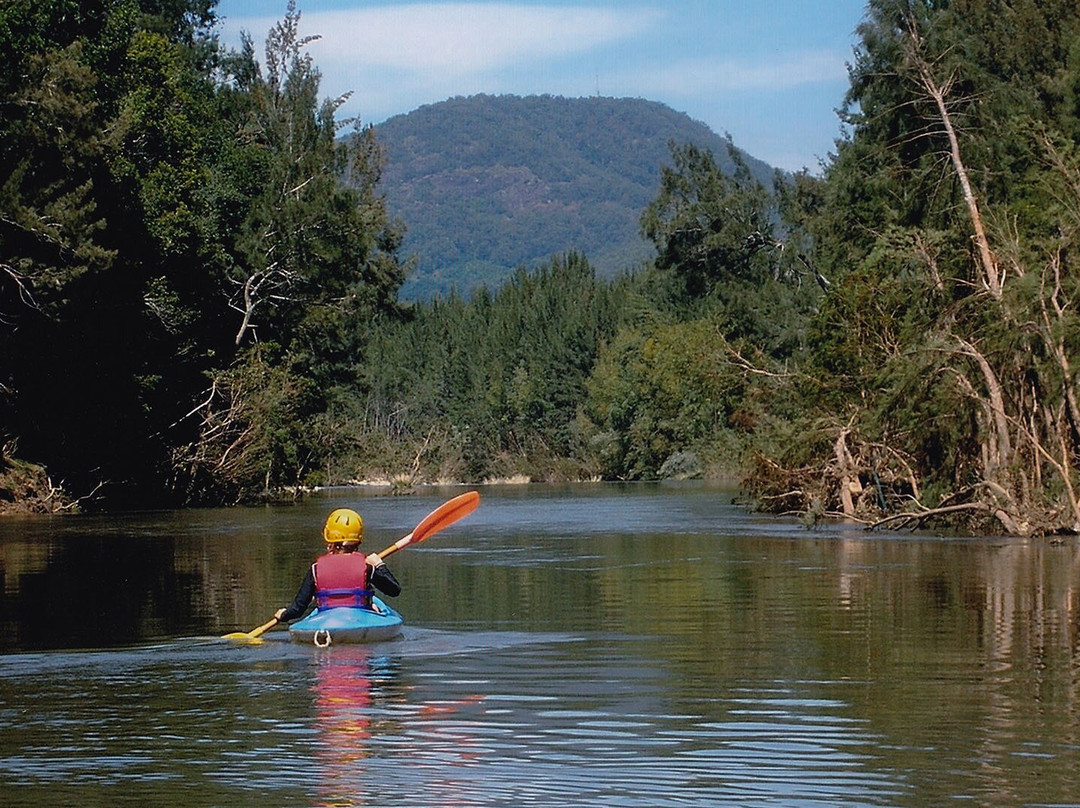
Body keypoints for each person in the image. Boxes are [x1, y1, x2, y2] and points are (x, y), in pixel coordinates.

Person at [275, 508, 401, 623]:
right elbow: (394, 590)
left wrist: (284, 614)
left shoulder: (316, 568)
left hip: (326, 621)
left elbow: (297, 609)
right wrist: (379, 565)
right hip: (359, 618)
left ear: (329, 539)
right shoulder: (367, 567)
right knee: (374, 606)